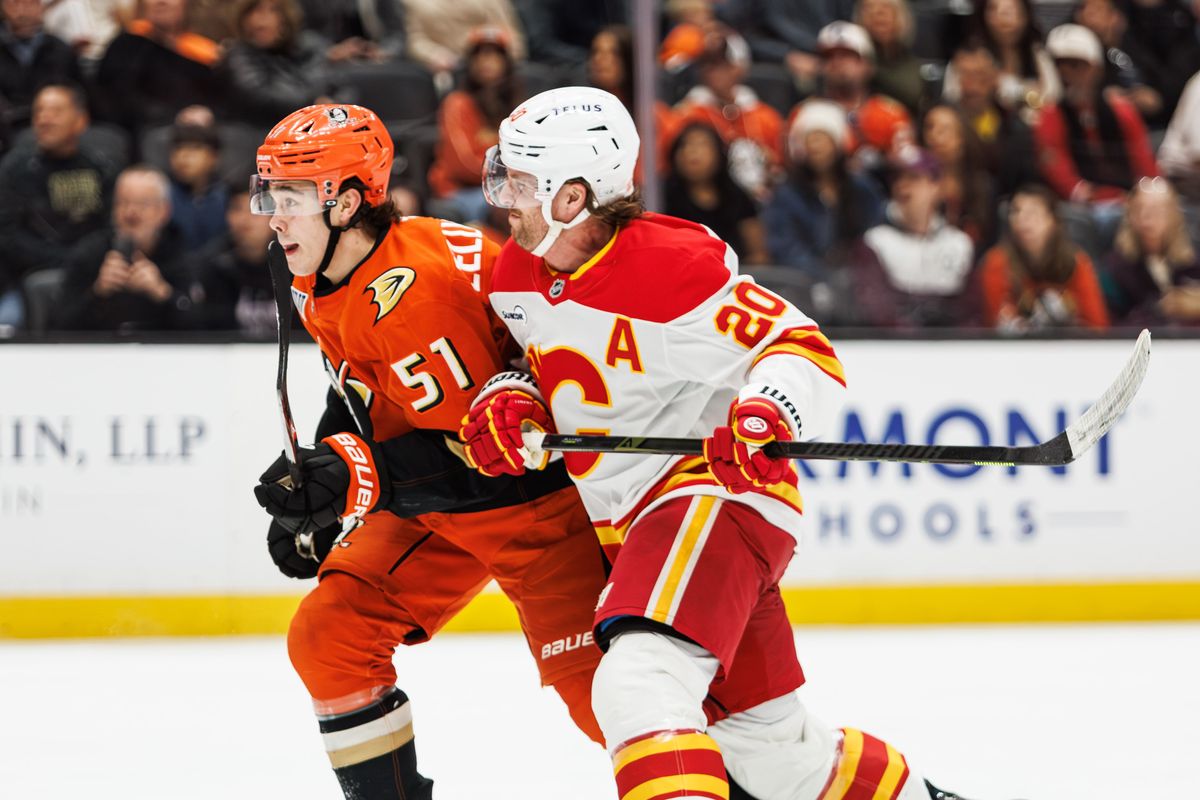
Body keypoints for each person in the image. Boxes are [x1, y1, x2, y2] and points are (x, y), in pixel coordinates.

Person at [463, 84, 971, 800]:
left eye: (518, 181)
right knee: (776, 753)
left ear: (571, 197)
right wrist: (513, 399)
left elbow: (799, 346)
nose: (499, 197)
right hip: (640, 529)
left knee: (639, 682)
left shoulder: (671, 268)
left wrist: (768, 410)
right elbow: (545, 368)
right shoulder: (516, 273)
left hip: (715, 495)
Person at [247, 104, 610, 800]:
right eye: (269, 196)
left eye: (287, 198)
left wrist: (356, 477)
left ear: (346, 202)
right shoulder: (333, 272)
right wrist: (323, 480)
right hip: (433, 505)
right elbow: (359, 384)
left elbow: (495, 465)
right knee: (331, 636)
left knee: (617, 713)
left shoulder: (418, 297)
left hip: (538, 513)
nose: (272, 216)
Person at [1035, 23, 1160, 264]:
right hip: (1080, 207)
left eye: (1076, 66)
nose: (1067, 74)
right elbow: (1059, 173)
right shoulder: (1050, 116)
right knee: (1106, 220)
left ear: (1095, 68)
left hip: (1127, 199)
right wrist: (1100, 197)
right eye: (1060, 66)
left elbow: (1144, 161)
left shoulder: (1121, 110)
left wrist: (1149, 195)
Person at [0, 82, 117, 328]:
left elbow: (110, 228)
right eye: (39, 112)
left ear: (81, 120)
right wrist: (64, 259)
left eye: (55, 111)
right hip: (24, 278)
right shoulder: (15, 169)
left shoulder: (100, 169)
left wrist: (82, 262)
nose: (44, 119)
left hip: (92, 275)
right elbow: (8, 236)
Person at [56, 164, 205, 332]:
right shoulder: (89, 253)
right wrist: (97, 292)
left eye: (142, 204)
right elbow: (58, 326)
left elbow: (204, 327)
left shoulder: (182, 255)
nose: (130, 213)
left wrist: (162, 293)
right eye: (123, 203)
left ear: (164, 211)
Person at [848, 146, 978, 327]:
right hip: (895, 350)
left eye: (914, 178)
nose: (903, 185)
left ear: (935, 186)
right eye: (897, 178)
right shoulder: (875, 243)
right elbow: (877, 310)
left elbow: (971, 314)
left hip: (951, 350)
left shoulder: (959, 245)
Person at [764, 99, 885, 282]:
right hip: (805, 284)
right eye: (809, 139)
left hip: (859, 281)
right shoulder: (787, 194)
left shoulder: (862, 187)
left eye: (822, 138)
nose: (816, 146)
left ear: (837, 143)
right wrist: (821, 277)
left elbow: (877, 233)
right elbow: (785, 246)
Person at [976, 182, 1109, 330]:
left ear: (1052, 220)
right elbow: (992, 325)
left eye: (1032, 212)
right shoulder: (997, 263)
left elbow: (1097, 326)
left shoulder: (1076, 263)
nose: (1022, 220)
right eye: (1016, 211)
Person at [675, 26, 785, 200]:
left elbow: (781, 165)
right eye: (707, 64)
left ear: (740, 67)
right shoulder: (687, 115)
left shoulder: (765, 116)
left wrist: (768, 160)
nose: (712, 71)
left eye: (721, 64)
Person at [94, 0, 224, 146]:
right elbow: (115, 100)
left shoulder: (206, 51)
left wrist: (207, 113)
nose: (161, 2)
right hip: (145, 134)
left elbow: (222, 100)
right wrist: (175, 116)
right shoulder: (128, 45)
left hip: (206, 131)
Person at [427, 26, 522, 225]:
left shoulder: (518, 105)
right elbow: (462, 165)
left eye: (494, 55)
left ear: (507, 62)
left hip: (508, 186)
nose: (486, 62)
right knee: (510, 205)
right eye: (480, 55)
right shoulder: (457, 103)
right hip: (461, 191)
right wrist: (514, 175)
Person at [662, 122, 768, 265]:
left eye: (702, 145)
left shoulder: (736, 196)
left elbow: (758, 252)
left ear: (719, 154)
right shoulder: (661, 196)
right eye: (685, 145)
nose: (692, 151)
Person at [941, 0, 1061, 123]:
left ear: (1025, 15)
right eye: (994, 9)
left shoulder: (1036, 53)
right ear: (984, 14)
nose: (1003, 15)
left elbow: (1052, 96)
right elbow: (951, 96)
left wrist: (1017, 91)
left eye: (1012, 9)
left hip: (1032, 125)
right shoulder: (969, 55)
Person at [221, 0, 331, 129]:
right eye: (255, 11)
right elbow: (262, 96)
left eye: (273, 11)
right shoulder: (238, 55)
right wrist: (313, 104)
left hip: (301, 127)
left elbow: (327, 81)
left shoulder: (305, 47)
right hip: (255, 131)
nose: (262, 21)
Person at [1106, 176, 1200, 325]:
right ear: (1129, 215)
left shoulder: (1192, 261)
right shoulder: (1117, 267)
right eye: (1139, 209)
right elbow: (1112, 324)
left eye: (1156, 210)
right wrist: (1160, 308)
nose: (1146, 218)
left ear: (1174, 215)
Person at [0, 0, 83, 139]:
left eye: (30, 3)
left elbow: (76, 98)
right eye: (14, 3)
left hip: (53, 131)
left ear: (41, 6)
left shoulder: (61, 50)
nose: (22, 12)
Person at [919, 102, 997, 248]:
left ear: (962, 138)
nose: (933, 136)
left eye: (944, 129)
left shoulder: (983, 186)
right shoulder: (916, 182)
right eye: (929, 127)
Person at [166, 122, 227, 252]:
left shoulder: (230, 198)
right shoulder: (160, 194)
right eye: (178, 148)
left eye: (195, 148)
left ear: (214, 157)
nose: (183, 155)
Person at [855, 0, 924, 114]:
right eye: (869, 8)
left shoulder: (906, 57)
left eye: (886, 6)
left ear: (900, 16)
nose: (877, 12)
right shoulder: (852, 55)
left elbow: (912, 92)